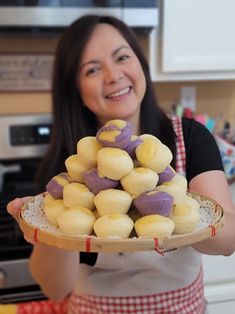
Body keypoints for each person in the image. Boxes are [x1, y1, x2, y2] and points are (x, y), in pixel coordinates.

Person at [7, 14, 235, 314]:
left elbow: (228, 240)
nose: (113, 75)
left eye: (122, 57)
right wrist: (47, 232)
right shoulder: (72, 167)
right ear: (76, 91)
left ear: (141, 64)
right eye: (92, 69)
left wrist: (185, 221)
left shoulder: (189, 137)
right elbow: (55, 288)